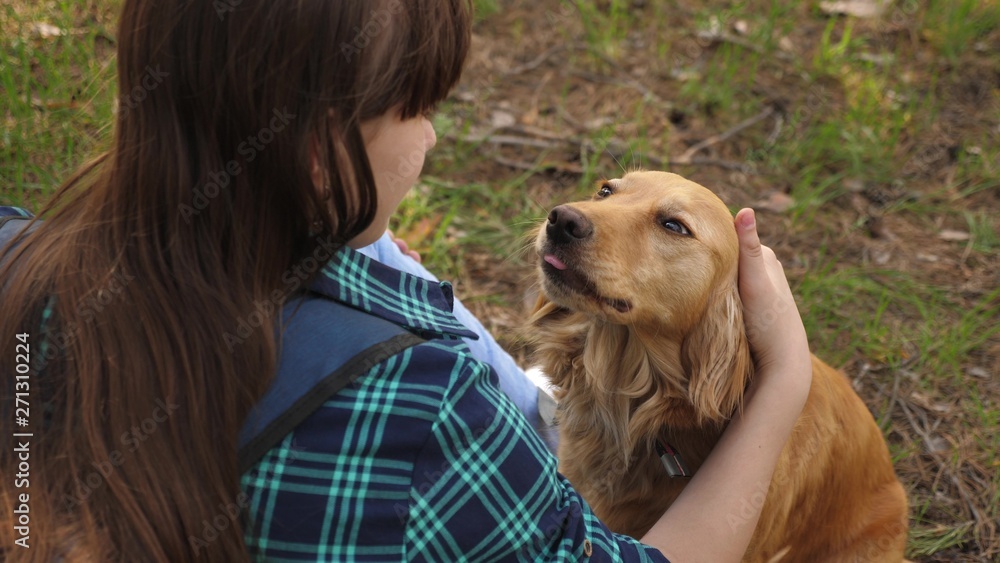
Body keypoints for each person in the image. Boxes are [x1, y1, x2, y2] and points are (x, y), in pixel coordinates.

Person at [0, 0, 812, 561]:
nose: (428, 136)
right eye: (418, 107)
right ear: (321, 153)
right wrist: (784, 383)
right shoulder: (422, 408)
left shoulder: (17, 259)